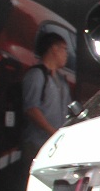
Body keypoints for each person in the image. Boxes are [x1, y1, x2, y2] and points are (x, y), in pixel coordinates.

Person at [21, 33, 73, 165]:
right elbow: (31, 109)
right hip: (37, 144)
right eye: (64, 49)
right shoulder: (36, 75)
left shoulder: (62, 80)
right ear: (54, 48)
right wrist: (53, 132)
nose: (66, 54)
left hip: (57, 145)